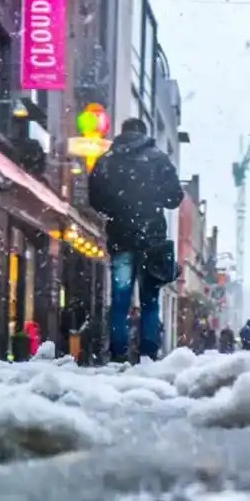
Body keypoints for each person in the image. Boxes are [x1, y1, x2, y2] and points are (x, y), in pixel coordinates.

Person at [88, 118, 184, 362]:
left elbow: (95, 198)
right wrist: (153, 198)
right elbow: (175, 197)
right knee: (150, 302)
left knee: (119, 302)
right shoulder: (159, 159)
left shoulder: (107, 160)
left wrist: (116, 210)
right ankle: (148, 356)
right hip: (152, 239)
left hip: (121, 238)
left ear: (122, 133)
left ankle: (118, 355)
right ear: (144, 133)